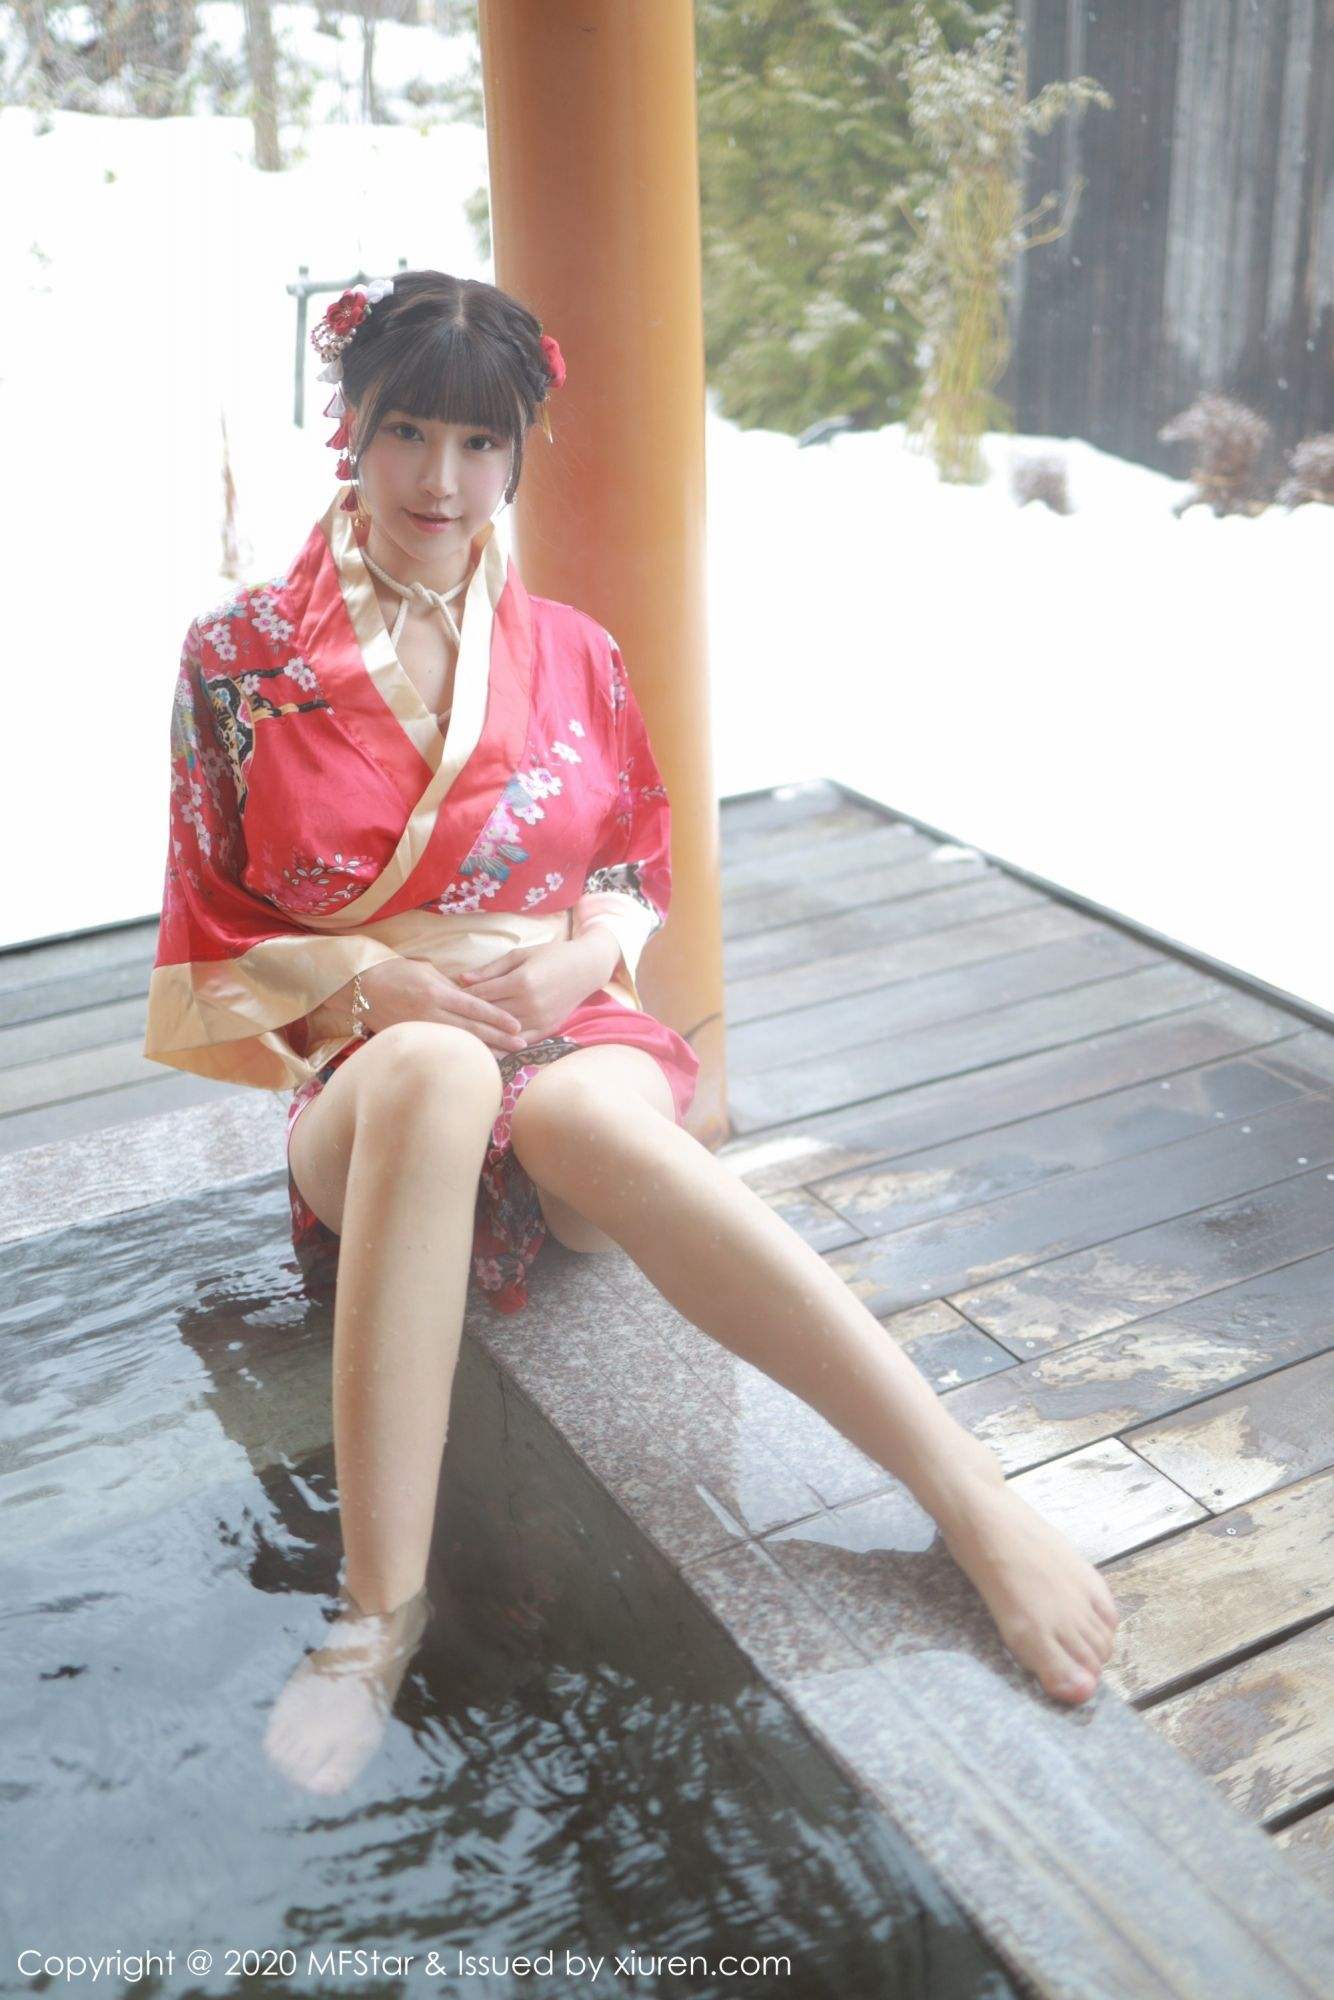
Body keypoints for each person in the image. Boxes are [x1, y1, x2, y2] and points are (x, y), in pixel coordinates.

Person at [144, 270, 1118, 1796]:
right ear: (348, 426)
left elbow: (631, 863)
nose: (441, 480)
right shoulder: (240, 659)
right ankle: (379, 1609)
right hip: (375, 1078)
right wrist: (373, 987)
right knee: (435, 1068)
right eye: (406, 432)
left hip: (563, 1022)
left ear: (516, 455)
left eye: (480, 443)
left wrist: (584, 957)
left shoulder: (575, 652)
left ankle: (968, 1492)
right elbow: (209, 923)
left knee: (586, 1113)